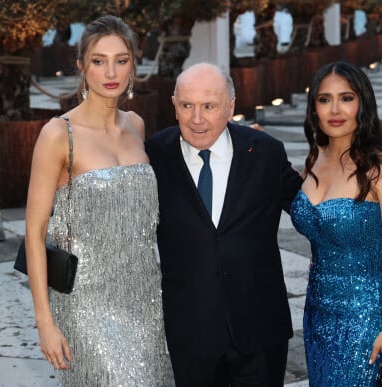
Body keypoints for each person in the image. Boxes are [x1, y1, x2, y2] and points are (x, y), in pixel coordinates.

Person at [24, 15, 167, 385]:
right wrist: (45, 321)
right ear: (81, 67)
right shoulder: (58, 134)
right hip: (85, 304)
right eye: (99, 61)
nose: (111, 71)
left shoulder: (136, 125)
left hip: (145, 299)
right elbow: (35, 230)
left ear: (133, 64)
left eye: (121, 59)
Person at [145, 62, 302, 386]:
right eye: (187, 105)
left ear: (230, 107)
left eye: (209, 106)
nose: (197, 118)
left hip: (260, 329)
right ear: (174, 105)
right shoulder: (153, 155)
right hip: (191, 333)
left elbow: (309, 209)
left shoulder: (265, 152)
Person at [290, 61, 382, 386]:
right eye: (324, 99)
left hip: (364, 319)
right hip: (316, 314)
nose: (335, 109)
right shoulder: (314, 160)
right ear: (314, 108)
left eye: (346, 97)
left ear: (363, 103)